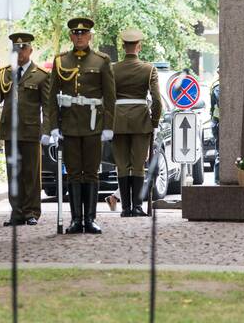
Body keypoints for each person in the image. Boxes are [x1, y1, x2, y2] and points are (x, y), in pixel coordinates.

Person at [45, 17, 116, 234]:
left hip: (93, 125)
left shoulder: (101, 61)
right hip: (69, 125)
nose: (79, 37)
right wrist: (53, 127)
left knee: (92, 173)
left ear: (90, 36)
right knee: (74, 173)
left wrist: (108, 126)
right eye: (76, 33)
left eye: (83, 34)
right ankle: (76, 219)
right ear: (70, 36)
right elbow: (51, 97)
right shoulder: (60, 61)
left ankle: (91, 219)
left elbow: (110, 96)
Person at [0, 33, 49, 226]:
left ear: (30, 50)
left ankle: (31, 212)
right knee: (14, 174)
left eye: (23, 49)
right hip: (10, 131)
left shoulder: (41, 75)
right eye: (15, 49)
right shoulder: (5, 73)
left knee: (31, 174)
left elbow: (47, 107)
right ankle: (17, 212)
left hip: (30, 132)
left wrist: (47, 131)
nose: (19, 53)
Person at [110, 29, 162, 217]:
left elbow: (107, 98)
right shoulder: (149, 69)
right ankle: (137, 207)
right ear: (139, 46)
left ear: (123, 46)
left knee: (122, 165)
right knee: (139, 165)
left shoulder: (112, 68)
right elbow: (156, 100)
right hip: (141, 122)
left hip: (118, 121)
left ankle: (125, 208)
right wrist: (154, 121)